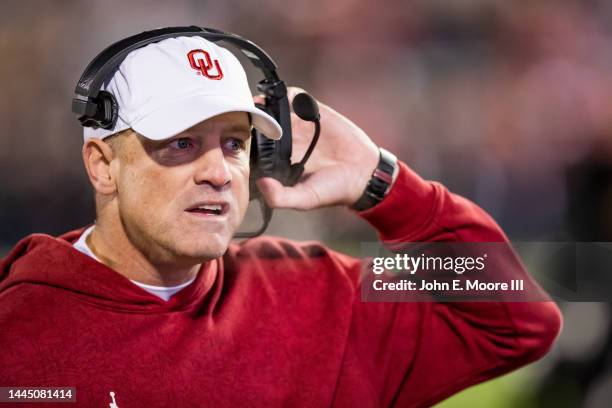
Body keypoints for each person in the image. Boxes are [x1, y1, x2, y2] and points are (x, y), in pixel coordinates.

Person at [0, 34, 561, 407]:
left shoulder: (314, 293)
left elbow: (517, 320)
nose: (218, 173)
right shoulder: (17, 334)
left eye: (236, 144)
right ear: (102, 166)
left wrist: (386, 187)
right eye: (181, 143)